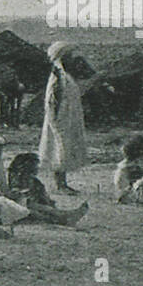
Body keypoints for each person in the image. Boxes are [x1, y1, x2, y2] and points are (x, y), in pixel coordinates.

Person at [38, 41, 88, 195]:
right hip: (60, 119)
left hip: (68, 118)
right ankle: (60, 185)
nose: (72, 59)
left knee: (63, 149)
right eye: (69, 56)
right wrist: (56, 122)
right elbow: (53, 101)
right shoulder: (58, 76)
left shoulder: (65, 76)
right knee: (59, 148)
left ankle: (62, 183)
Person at [6, 152, 88, 226]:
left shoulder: (35, 182)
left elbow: (44, 197)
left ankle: (62, 216)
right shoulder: (15, 179)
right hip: (22, 208)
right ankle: (63, 216)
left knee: (41, 209)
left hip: (36, 207)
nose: (37, 169)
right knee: (33, 209)